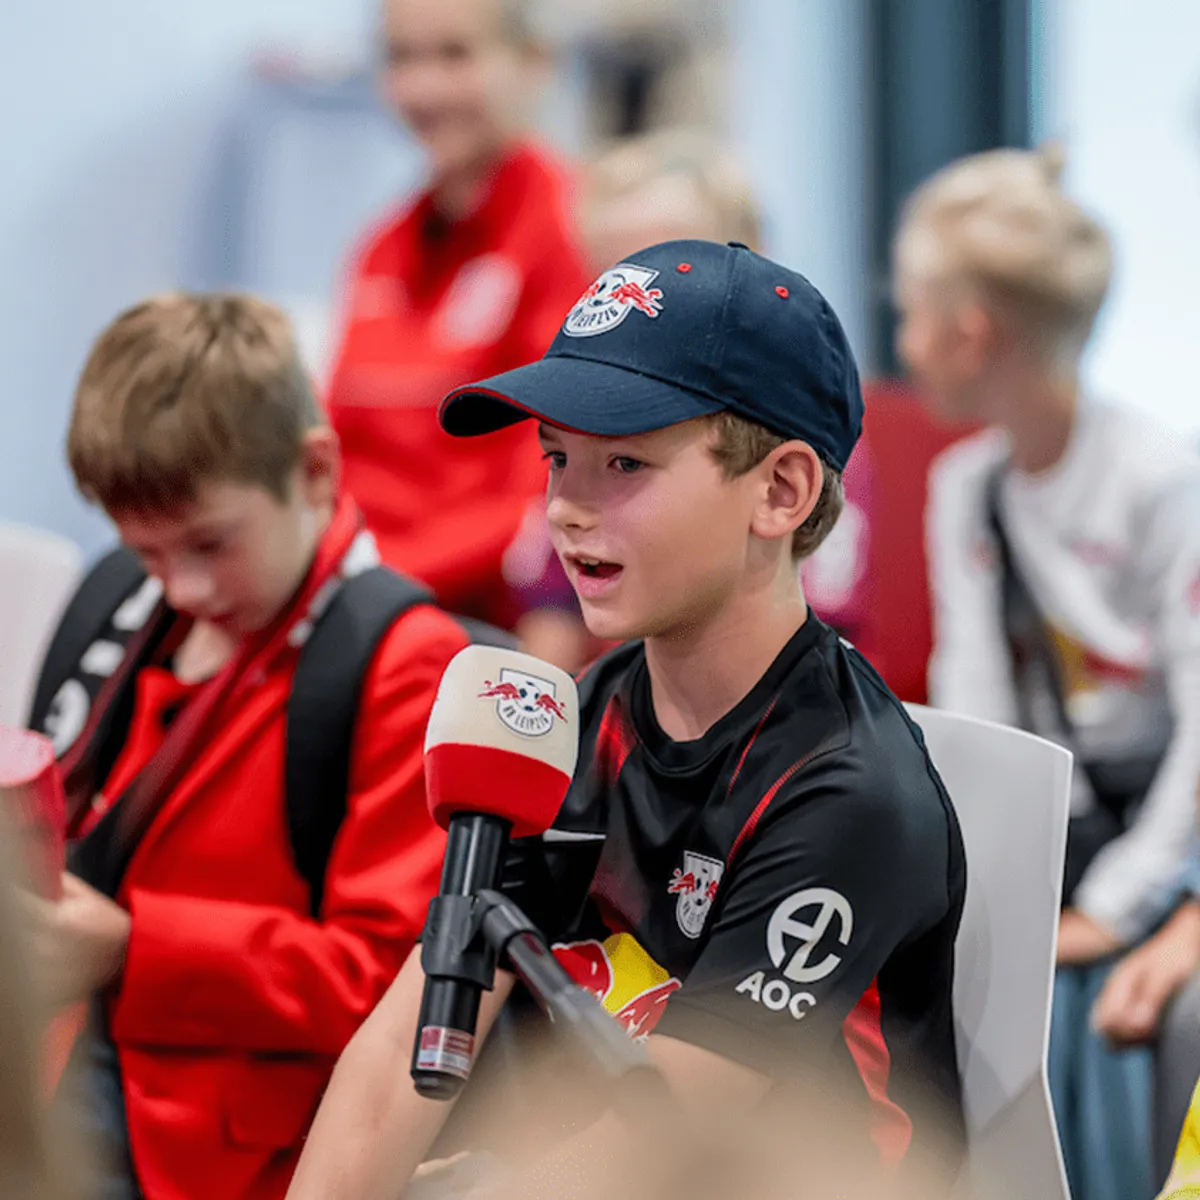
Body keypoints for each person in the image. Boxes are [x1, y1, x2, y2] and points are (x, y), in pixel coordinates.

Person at [286, 238, 967, 1200]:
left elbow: (663, 1142)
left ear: (782, 491)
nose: (564, 507)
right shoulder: (567, 719)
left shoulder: (848, 791)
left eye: (626, 464)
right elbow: (417, 1035)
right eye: (557, 457)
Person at [23, 294, 467, 1200]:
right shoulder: (123, 599)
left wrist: (133, 948)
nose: (181, 585)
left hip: (230, 1147)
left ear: (312, 471)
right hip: (57, 1062)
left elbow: (391, 985)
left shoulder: (404, 662)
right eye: (147, 552)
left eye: (209, 544)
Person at [894, 145, 1200, 1200]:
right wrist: (992, 904)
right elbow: (972, 715)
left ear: (970, 332)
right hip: (1060, 828)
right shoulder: (964, 487)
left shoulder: (1161, 480)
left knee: (1129, 1015)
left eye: (910, 312)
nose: (903, 342)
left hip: (1169, 839)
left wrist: (1111, 911)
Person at [510, 128, 875, 671]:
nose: (637, 307)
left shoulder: (805, 430)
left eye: (677, 274)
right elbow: (548, 624)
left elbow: (811, 644)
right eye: (617, 280)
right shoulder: (578, 429)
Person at [325, 0, 591, 629]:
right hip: (360, 596)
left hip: (490, 623)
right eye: (401, 58)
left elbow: (559, 481)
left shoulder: (574, 234)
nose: (422, 87)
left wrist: (366, 577)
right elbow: (333, 447)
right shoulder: (381, 245)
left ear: (533, 64)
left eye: (455, 54)